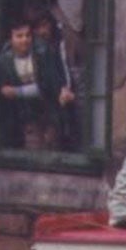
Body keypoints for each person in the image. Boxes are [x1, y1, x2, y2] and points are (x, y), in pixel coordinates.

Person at [7, 0, 87, 140]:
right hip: (71, 52)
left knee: (85, 100)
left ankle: (84, 142)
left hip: (91, 50)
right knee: (74, 99)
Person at [0, 17, 67, 150]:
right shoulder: (4, 60)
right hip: (24, 115)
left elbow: (48, 86)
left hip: (48, 108)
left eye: (28, 35)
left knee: (52, 147)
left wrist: (17, 92)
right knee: (33, 149)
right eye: (19, 36)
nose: (24, 40)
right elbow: (3, 91)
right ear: (10, 38)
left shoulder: (43, 52)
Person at [31, 9, 77, 149]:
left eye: (45, 25)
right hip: (44, 97)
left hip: (59, 94)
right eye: (39, 27)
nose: (43, 30)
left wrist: (65, 88)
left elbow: (62, 68)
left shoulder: (58, 45)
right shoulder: (40, 49)